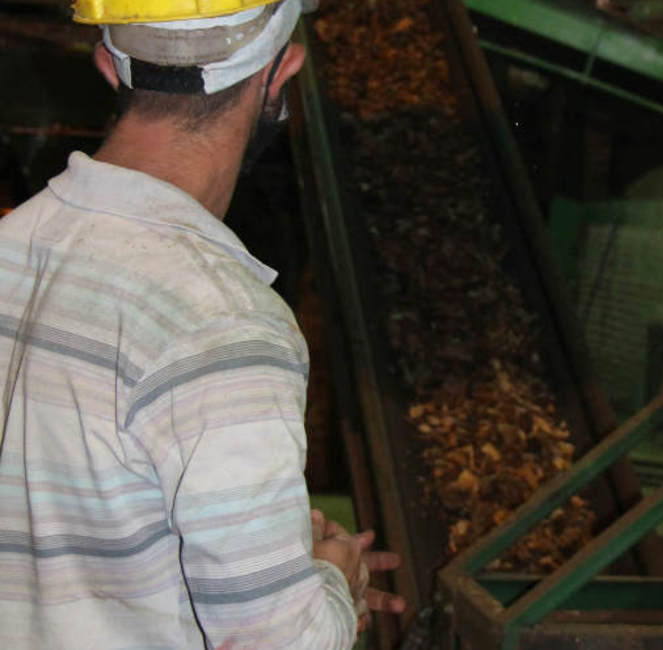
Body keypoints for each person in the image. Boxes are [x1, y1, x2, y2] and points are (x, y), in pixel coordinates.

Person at [0, 0, 405, 646]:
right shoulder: (223, 323)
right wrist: (333, 580)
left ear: (107, 64)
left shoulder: (10, 247)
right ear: (281, 74)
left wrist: (269, 553)